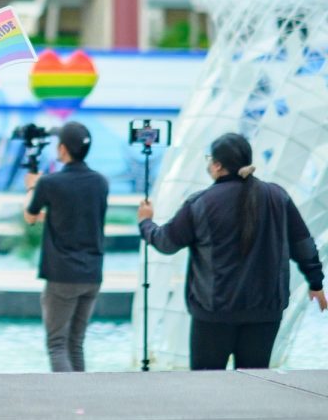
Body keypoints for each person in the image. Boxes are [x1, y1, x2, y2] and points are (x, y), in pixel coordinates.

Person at [138, 132, 325, 370]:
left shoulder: (201, 203)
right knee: (255, 384)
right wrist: (316, 282)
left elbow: (166, 243)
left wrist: (145, 223)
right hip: (265, 312)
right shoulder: (277, 197)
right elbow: (303, 244)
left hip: (214, 313)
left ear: (217, 165)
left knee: (208, 386)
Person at [24, 121, 109, 373]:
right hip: (92, 274)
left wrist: (31, 186)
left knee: (57, 344)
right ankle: (81, 399)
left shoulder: (50, 183)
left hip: (62, 274)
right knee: (76, 343)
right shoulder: (101, 182)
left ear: (62, 150)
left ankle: (69, 400)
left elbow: (30, 216)